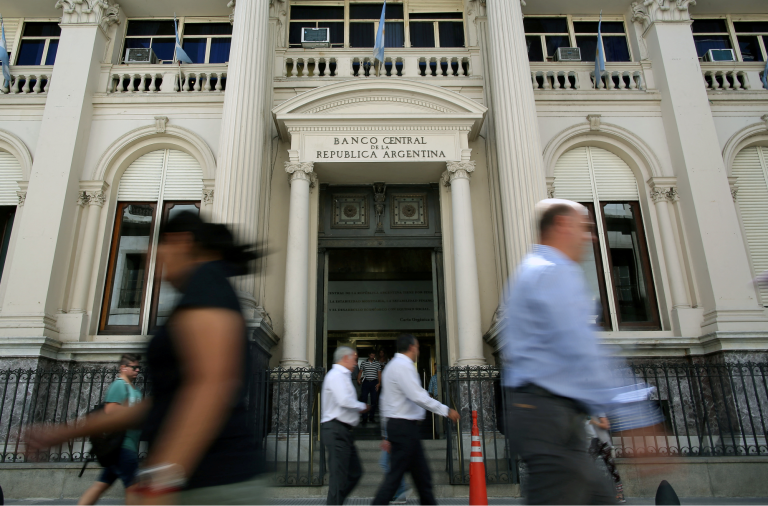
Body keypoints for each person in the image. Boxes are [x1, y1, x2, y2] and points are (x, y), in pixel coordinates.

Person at [27, 212, 265, 505]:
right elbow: (166, 401)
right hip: (209, 482)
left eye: (157, 252)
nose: (155, 265)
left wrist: (164, 479)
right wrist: (66, 432)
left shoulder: (208, 284)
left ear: (180, 242)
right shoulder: (205, 289)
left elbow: (211, 387)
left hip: (212, 484)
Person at [502, 199, 617, 506]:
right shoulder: (553, 271)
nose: (589, 237)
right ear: (563, 225)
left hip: (549, 415)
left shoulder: (530, 270)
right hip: (548, 417)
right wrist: (633, 414)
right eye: (585, 228)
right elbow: (580, 346)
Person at [372, 333, 460, 506]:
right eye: (417, 347)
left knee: (421, 478)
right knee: (398, 478)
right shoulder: (403, 367)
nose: (418, 350)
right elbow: (418, 396)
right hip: (404, 428)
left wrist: (386, 432)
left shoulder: (392, 367)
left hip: (400, 427)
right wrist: (445, 410)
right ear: (412, 347)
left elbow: (385, 402)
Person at [77, 354, 143, 506]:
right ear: (123, 368)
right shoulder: (119, 385)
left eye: (138, 367)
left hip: (127, 445)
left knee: (101, 484)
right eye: (134, 367)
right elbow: (110, 410)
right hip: (122, 445)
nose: (137, 370)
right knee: (134, 487)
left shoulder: (135, 389)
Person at [321, 347, 370, 506]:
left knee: (355, 472)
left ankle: (336, 502)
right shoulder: (336, 375)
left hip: (344, 431)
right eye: (354, 359)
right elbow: (344, 400)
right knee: (338, 477)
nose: (356, 364)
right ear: (345, 358)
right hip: (335, 430)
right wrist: (361, 406)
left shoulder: (343, 376)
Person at [587, 415, 625, 503]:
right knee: (586, 468)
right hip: (591, 442)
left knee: (612, 469)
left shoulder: (597, 410)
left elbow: (606, 425)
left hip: (601, 442)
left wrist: (594, 422)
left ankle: (620, 495)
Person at [358, 351, 382, 424]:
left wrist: (379, 383)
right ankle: (364, 418)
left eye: (373, 355)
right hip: (366, 382)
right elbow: (360, 371)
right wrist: (359, 379)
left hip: (374, 382)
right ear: (369, 355)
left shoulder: (377, 363)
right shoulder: (364, 362)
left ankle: (371, 417)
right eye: (371, 355)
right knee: (364, 399)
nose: (372, 357)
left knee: (374, 400)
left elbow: (379, 373)